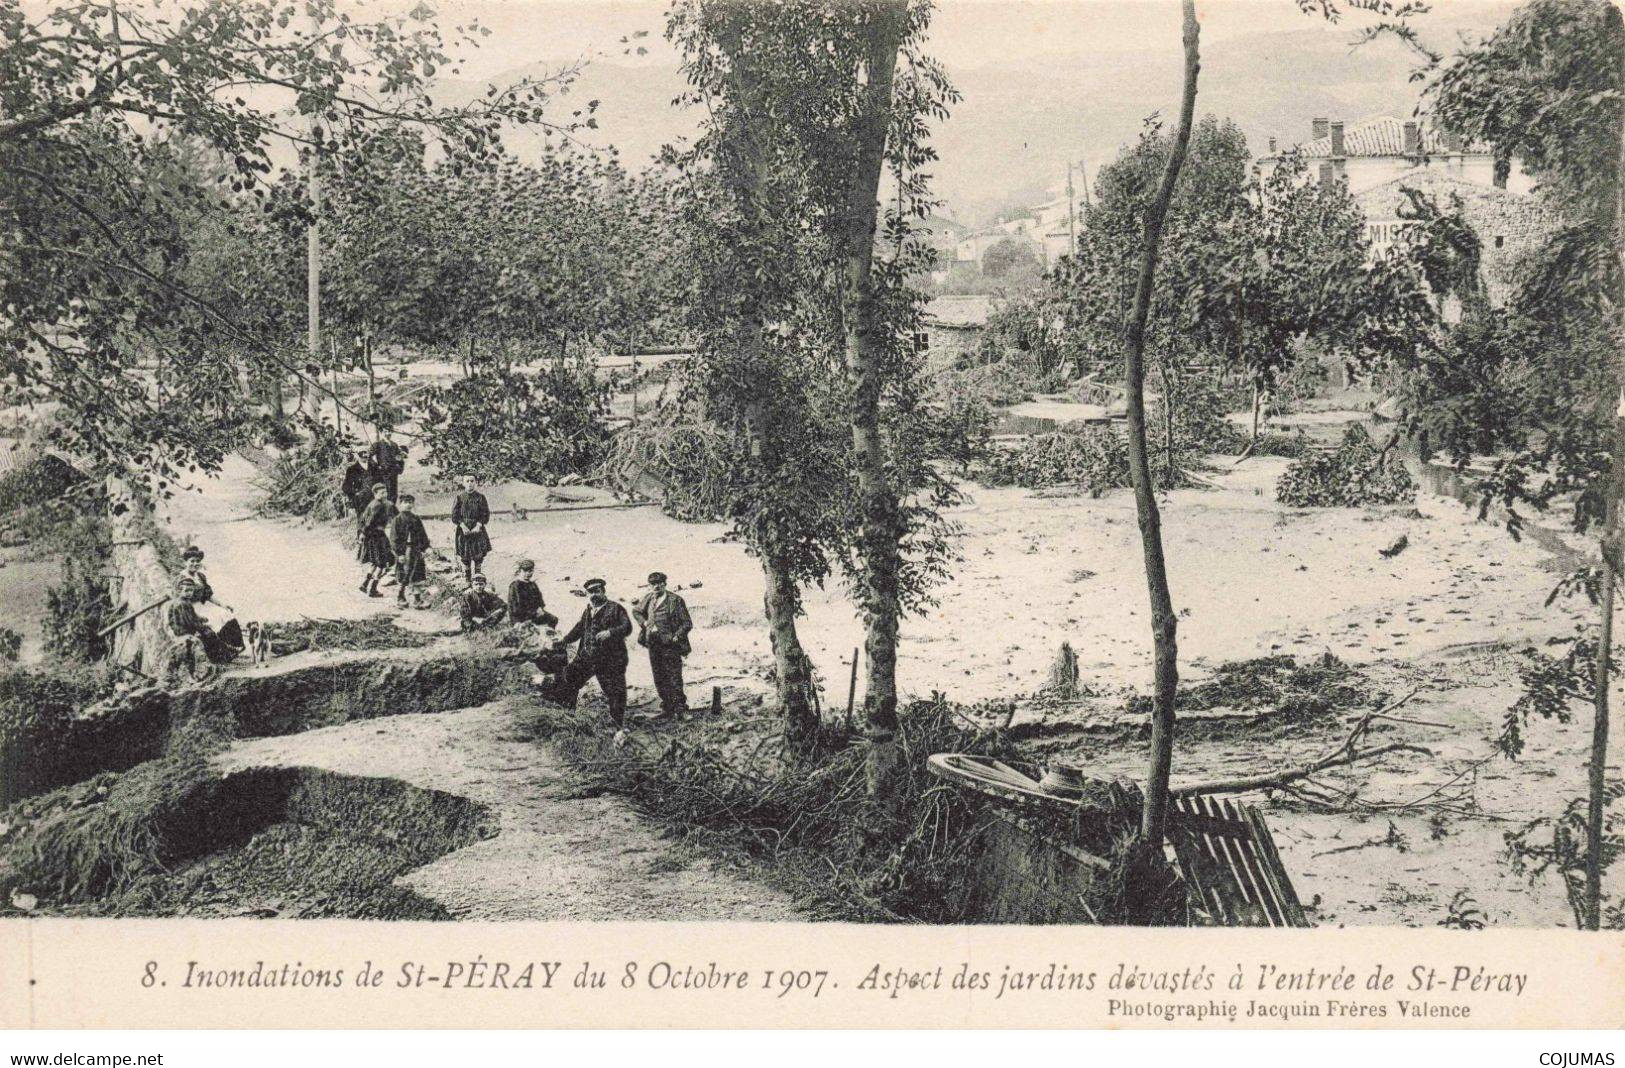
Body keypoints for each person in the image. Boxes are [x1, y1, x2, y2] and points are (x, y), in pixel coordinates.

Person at [553, 578, 633, 744]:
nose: (594, 595)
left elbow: (627, 627)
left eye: (597, 591)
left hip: (610, 660)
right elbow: (580, 627)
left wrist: (610, 632)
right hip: (587, 658)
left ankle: (618, 727)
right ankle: (568, 717)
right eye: (591, 593)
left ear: (603, 592)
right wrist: (565, 640)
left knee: (615, 692)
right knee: (569, 678)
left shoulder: (616, 608)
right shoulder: (588, 609)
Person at [633, 571, 692, 720]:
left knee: (674, 676)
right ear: (650, 586)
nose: (656, 586)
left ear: (665, 584)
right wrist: (644, 623)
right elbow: (636, 611)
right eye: (653, 584)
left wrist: (676, 636)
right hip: (653, 643)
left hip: (670, 644)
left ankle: (681, 709)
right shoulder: (649, 598)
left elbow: (687, 623)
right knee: (659, 676)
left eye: (659, 583)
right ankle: (667, 708)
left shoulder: (675, 600)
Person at [166, 576, 243, 665]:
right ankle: (221, 656)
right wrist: (201, 627)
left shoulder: (185, 602)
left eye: (191, 591)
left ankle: (226, 651)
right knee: (209, 634)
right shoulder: (182, 604)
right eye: (186, 591)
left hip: (184, 627)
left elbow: (193, 615)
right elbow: (189, 621)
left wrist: (201, 618)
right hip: (182, 629)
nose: (189, 593)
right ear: (179, 591)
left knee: (209, 632)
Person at [387, 493, 431, 608]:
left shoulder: (416, 519)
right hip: (404, 551)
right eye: (405, 502)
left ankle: (417, 600)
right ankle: (400, 596)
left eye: (410, 502)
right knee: (404, 574)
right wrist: (399, 554)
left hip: (415, 550)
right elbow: (394, 539)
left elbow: (422, 535)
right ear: (400, 504)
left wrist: (426, 547)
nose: (408, 505)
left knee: (416, 574)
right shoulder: (397, 520)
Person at [450, 473, 492, 585]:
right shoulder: (459, 498)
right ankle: (467, 581)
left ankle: (478, 580)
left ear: (476, 483)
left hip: (478, 531)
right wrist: (462, 525)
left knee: (478, 556)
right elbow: (454, 516)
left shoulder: (480, 497)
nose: (470, 483)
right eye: (467, 481)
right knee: (465, 556)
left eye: (472, 481)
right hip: (464, 532)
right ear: (463, 483)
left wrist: (479, 525)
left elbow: (485, 514)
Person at [356, 483, 396, 598]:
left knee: (375, 562)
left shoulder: (374, 504)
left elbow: (363, 520)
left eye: (386, 492)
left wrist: (363, 534)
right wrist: (364, 532)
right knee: (382, 563)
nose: (385, 494)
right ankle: (373, 589)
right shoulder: (377, 506)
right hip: (378, 537)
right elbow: (369, 522)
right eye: (382, 493)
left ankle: (364, 584)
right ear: (375, 494)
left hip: (373, 537)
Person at [507, 559, 557, 628]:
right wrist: (534, 613)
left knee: (553, 619)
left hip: (534, 614)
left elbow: (540, 601)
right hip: (520, 617)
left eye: (530, 571)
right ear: (520, 571)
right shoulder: (515, 586)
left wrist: (540, 608)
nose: (528, 574)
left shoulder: (533, 585)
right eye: (525, 571)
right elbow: (516, 608)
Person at [367, 434, 407, 502]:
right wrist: (377, 466)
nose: (387, 433)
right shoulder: (378, 444)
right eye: (385, 431)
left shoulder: (394, 445)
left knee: (394, 493)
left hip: (394, 473)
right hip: (383, 473)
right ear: (382, 432)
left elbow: (399, 458)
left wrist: (399, 466)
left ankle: (392, 510)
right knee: (385, 492)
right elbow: (368, 456)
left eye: (389, 431)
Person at [341, 450, 371, 518]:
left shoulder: (373, 467)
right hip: (360, 500)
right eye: (363, 456)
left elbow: (379, 481)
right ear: (358, 456)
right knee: (362, 521)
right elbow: (345, 487)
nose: (365, 458)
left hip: (374, 498)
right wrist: (355, 493)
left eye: (366, 456)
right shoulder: (352, 469)